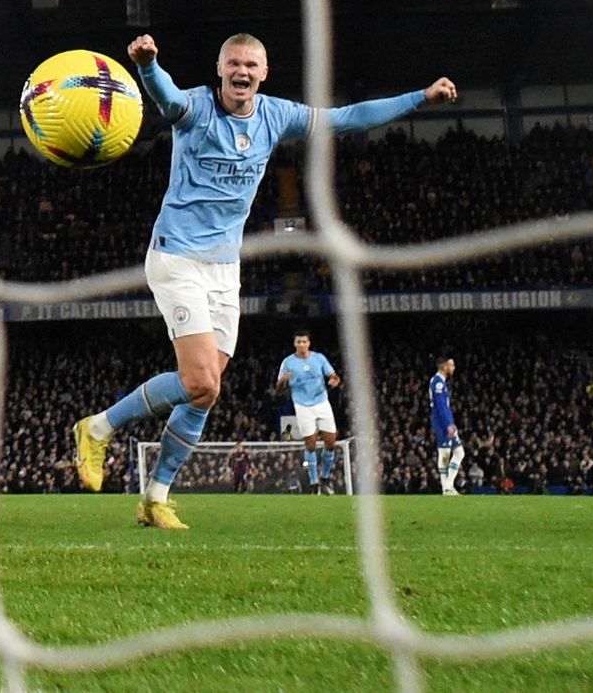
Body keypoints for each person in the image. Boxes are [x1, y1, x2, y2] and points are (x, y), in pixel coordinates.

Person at [72, 32, 457, 529]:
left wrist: (420, 97)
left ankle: (155, 498)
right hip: (177, 259)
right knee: (199, 380)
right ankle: (98, 427)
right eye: (234, 62)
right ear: (220, 68)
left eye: (252, 64)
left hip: (225, 269)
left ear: (264, 72)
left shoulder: (276, 115)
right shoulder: (195, 108)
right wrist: (147, 66)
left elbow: (348, 119)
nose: (242, 71)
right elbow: (165, 98)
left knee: (206, 394)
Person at [276, 329, 342, 494]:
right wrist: (283, 380)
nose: (301, 345)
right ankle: (314, 483)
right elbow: (278, 388)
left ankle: (325, 478)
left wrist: (334, 381)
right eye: (298, 342)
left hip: (321, 403)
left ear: (309, 343)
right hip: (303, 406)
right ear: (294, 344)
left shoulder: (319, 358)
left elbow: (334, 376)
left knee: (331, 442)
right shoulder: (288, 362)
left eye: (304, 342)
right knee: (311, 444)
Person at [431, 355, 464, 496]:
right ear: (444, 367)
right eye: (452, 365)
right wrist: (448, 425)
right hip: (442, 423)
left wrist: (451, 423)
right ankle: (446, 487)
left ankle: (448, 485)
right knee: (444, 454)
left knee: (459, 452)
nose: (454, 368)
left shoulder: (442, 382)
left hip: (447, 422)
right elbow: (440, 406)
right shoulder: (437, 382)